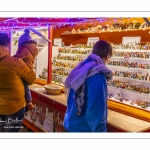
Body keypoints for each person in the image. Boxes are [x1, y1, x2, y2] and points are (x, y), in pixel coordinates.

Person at [63, 40, 113, 132]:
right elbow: (95, 111)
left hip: (70, 125)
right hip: (82, 129)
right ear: (107, 56)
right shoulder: (97, 75)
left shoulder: (81, 68)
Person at [0, 32, 36, 132]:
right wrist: (29, 62)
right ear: (8, 45)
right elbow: (31, 78)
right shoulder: (15, 62)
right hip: (14, 108)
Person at [14, 31, 38, 112]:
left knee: (24, 85)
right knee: (25, 85)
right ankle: (28, 101)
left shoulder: (23, 49)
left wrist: (10, 58)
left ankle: (29, 102)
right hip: (29, 69)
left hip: (24, 69)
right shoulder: (31, 48)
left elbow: (17, 58)